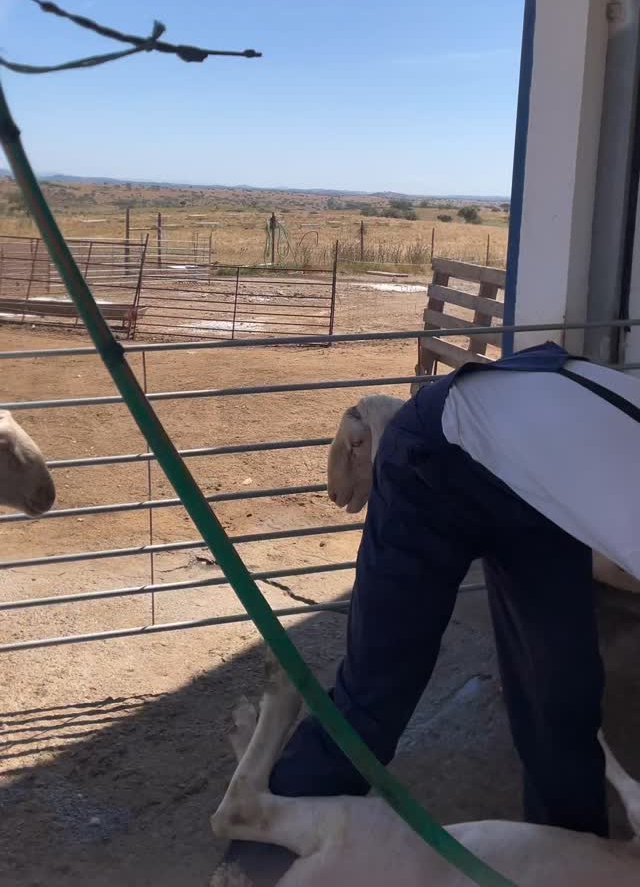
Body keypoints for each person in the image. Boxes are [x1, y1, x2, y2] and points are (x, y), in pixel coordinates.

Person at [222, 341, 640, 881]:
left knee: (561, 696)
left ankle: (583, 868)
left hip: (534, 490)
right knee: (375, 699)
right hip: (440, 456)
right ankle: (251, 865)